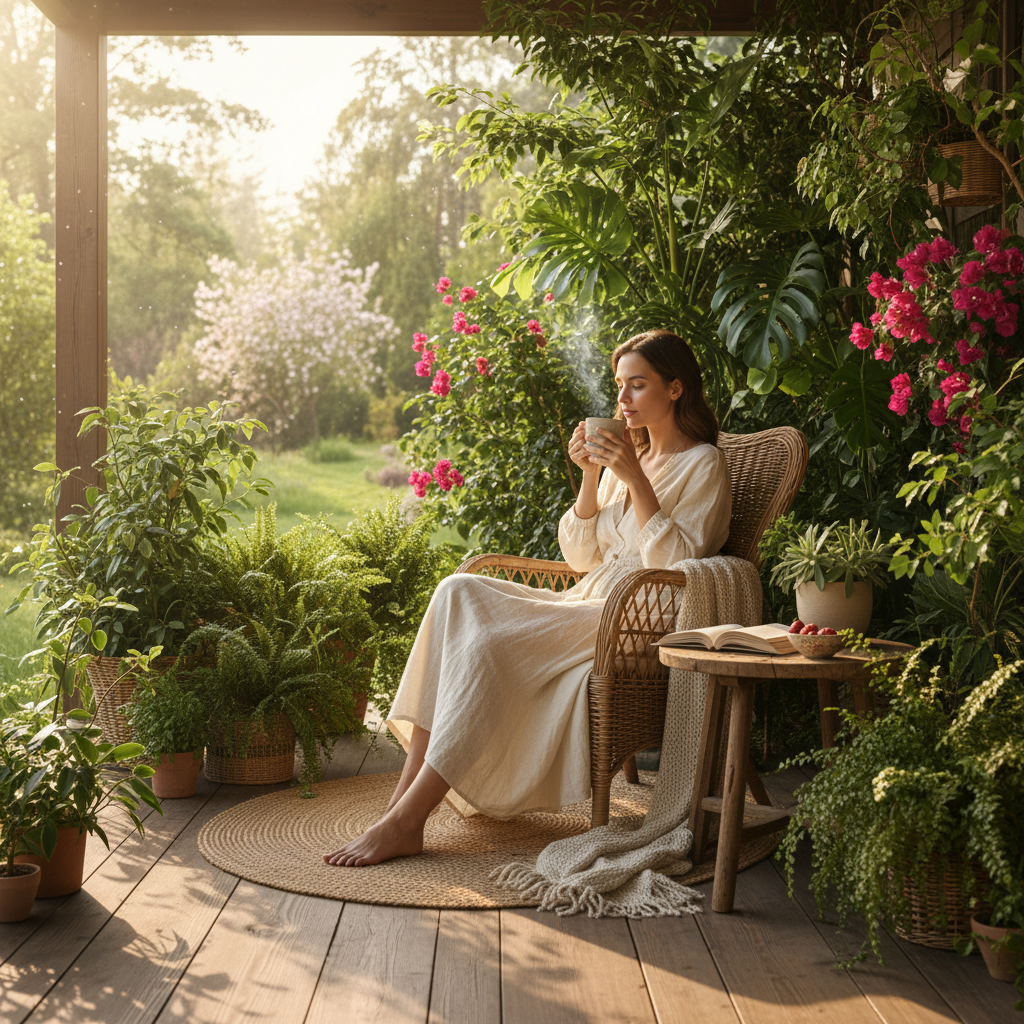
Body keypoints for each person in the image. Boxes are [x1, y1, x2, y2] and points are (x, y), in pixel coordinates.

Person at [323, 329, 732, 867]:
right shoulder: (623, 460)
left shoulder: (703, 465)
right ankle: (403, 801)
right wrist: (592, 476)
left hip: (636, 617)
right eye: (619, 385)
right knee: (456, 589)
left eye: (637, 385)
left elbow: (679, 564)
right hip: (589, 598)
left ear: (675, 388)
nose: (623, 398)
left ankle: (408, 818)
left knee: (488, 645)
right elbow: (580, 556)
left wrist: (635, 478)